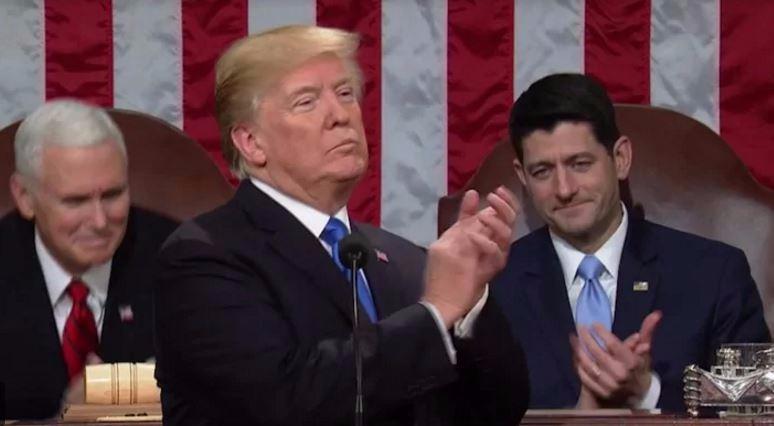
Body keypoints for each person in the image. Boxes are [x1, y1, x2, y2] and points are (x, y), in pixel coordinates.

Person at [153, 25, 529, 426]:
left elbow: (499, 410)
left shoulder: (404, 260)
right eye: (307, 101)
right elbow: (283, 400)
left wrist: (470, 301)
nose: (340, 115)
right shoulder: (203, 257)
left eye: (345, 93)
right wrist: (436, 312)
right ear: (251, 142)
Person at [491, 72, 770, 411]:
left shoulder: (715, 274)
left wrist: (647, 393)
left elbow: (756, 408)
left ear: (620, 158)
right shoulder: (492, 286)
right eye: (542, 172)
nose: (564, 189)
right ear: (522, 176)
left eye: (580, 164)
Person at [0, 100, 178, 419]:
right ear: (25, 197)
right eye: (76, 201)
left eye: (112, 195)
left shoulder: (181, 259)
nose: (99, 221)